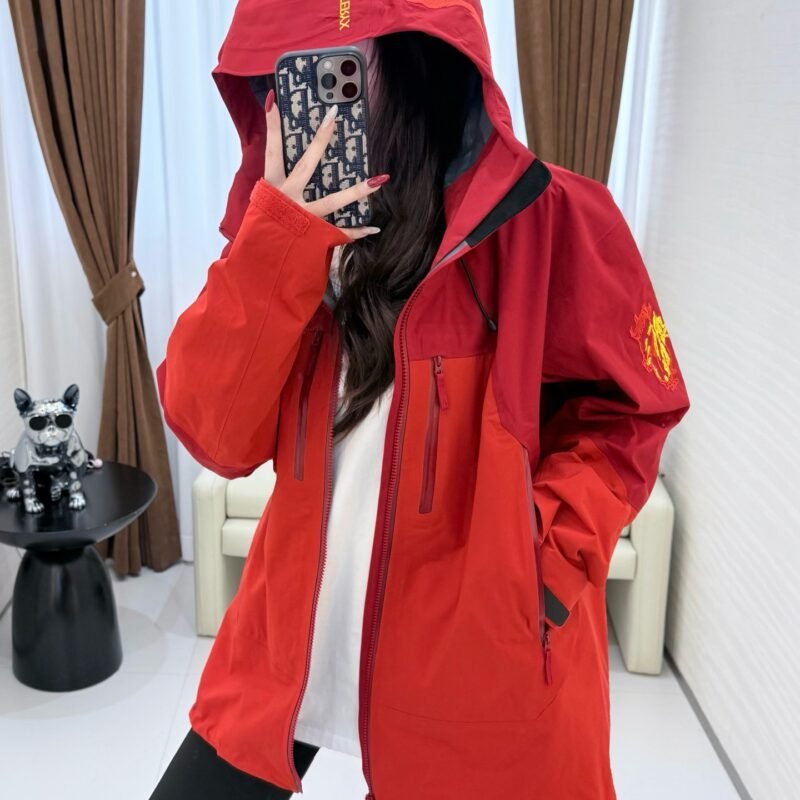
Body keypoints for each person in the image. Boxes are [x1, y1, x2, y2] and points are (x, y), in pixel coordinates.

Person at [152, 2, 691, 799]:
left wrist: (537, 571)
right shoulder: (279, 231)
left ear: (415, 57)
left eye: (338, 58)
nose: (301, 89)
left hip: (473, 665)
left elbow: (633, 410)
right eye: (286, 66)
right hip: (292, 639)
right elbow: (215, 434)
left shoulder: (552, 220)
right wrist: (280, 237)